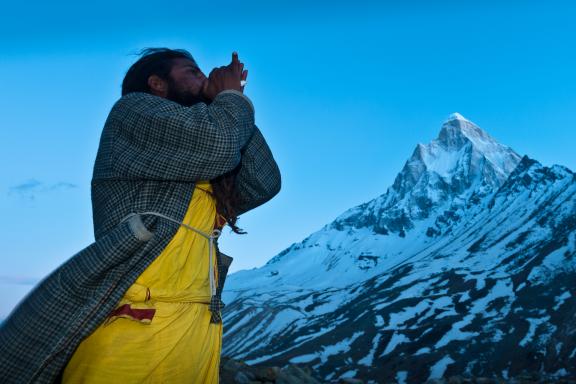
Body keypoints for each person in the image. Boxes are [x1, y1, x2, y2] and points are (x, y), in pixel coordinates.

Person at [0, 48, 281, 383]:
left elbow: (264, 183)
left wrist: (230, 103)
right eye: (191, 71)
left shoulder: (197, 140)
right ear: (157, 83)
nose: (204, 76)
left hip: (196, 324)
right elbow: (219, 146)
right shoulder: (133, 112)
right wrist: (231, 98)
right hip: (136, 319)